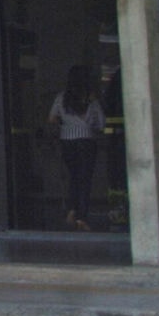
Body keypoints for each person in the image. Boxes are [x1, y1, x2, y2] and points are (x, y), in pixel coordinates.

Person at [47, 65, 105, 230]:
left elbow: (51, 119)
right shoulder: (91, 98)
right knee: (85, 179)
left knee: (73, 176)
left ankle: (71, 210)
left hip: (67, 141)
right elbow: (101, 122)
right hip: (86, 140)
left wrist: (65, 124)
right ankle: (82, 217)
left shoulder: (61, 97)